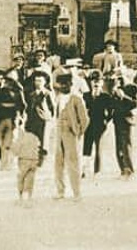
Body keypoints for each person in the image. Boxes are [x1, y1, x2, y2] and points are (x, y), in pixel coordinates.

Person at [53, 73, 88, 201]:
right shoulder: (58, 98)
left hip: (71, 133)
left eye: (65, 84)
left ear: (70, 84)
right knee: (58, 162)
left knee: (73, 162)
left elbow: (84, 120)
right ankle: (60, 191)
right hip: (59, 132)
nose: (62, 87)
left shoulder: (77, 99)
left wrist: (77, 132)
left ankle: (77, 193)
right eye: (61, 84)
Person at [0, 69, 24, 171]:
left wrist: (19, 118)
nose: (6, 83)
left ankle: (6, 164)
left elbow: (21, 106)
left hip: (11, 120)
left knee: (8, 143)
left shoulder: (17, 93)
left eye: (8, 81)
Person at [82, 74, 113, 179]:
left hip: (100, 126)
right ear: (90, 83)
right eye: (93, 81)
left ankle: (97, 171)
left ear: (102, 83)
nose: (96, 83)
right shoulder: (85, 96)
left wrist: (105, 121)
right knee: (86, 147)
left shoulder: (106, 97)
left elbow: (111, 111)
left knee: (98, 148)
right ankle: (84, 170)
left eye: (98, 81)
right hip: (87, 125)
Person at [24, 71, 54, 166]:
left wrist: (48, 116)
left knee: (42, 139)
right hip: (32, 119)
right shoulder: (31, 94)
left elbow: (52, 107)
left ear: (44, 82)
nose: (38, 83)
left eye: (40, 81)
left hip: (43, 119)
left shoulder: (47, 94)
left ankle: (41, 160)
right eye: (36, 81)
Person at [112, 82, 137, 179]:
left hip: (125, 121)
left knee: (125, 146)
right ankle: (123, 170)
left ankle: (129, 170)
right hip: (117, 121)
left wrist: (124, 96)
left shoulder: (132, 88)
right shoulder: (116, 89)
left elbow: (134, 104)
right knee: (119, 147)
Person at [14, 121, 41, 207]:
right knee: (30, 179)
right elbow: (38, 147)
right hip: (34, 160)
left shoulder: (22, 137)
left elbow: (16, 148)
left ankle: (20, 196)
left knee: (21, 178)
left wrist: (14, 152)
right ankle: (29, 196)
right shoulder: (36, 137)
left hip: (23, 160)